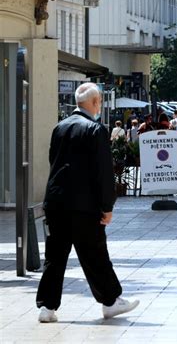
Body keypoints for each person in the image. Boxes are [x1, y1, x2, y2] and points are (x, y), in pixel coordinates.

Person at [36, 83, 139, 323]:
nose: (100, 105)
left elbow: (54, 161)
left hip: (56, 202)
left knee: (55, 255)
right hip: (84, 205)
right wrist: (107, 206)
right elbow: (103, 172)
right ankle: (111, 301)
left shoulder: (59, 128)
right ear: (93, 103)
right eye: (100, 101)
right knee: (95, 254)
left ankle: (47, 307)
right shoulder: (95, 129)